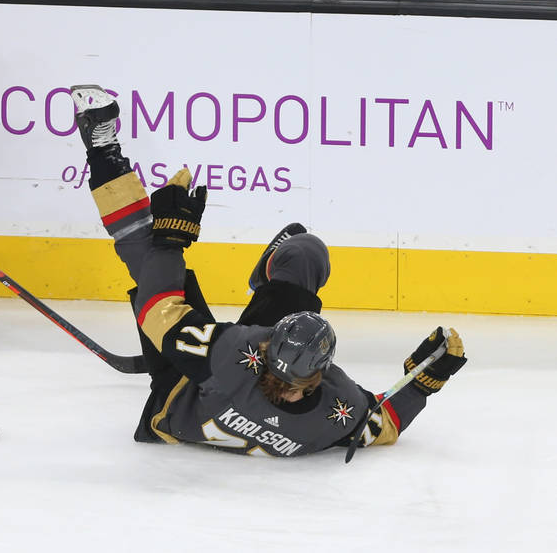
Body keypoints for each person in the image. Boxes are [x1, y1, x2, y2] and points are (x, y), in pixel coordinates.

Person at [67, 84, 467, 456]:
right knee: (306, 252)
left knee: (147, 251)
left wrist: (171, 242)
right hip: (219, 379)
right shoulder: (335, 411)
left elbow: (158, 309)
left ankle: (101, 149)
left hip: (181, 390)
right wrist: (425, 382)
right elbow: (387, 423)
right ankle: (270, 280)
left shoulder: (231, 355)